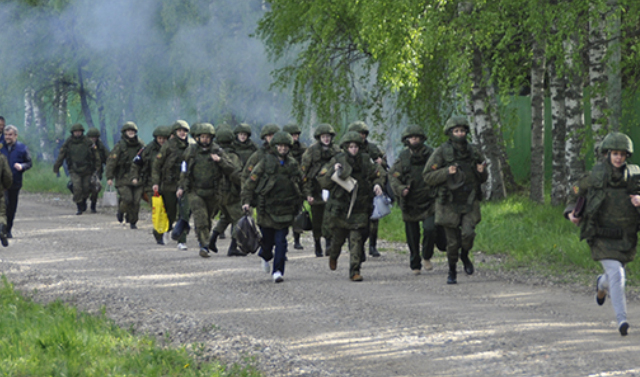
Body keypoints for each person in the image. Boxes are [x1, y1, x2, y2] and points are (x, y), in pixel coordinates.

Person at [565, 132, 640, 336]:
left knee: (613, 276)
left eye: (622, 154)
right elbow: (574, 194)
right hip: (600, 236)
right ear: (607, 154)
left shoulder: (635, 176)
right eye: (615, 153)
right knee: (618, 275)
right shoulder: (595, 176)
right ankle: (622, 321)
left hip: (626, 237)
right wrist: (571, 213)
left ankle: (601, 283)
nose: (618, 158)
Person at [423, 116, 487, 285]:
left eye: (462, 131)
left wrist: (481, 172)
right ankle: (452, 270)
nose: (460, 134)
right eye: (456, 131)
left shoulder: (473, 151)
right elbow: (427, 176)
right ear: (450, 133)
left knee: (468, 234)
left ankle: (465, 255)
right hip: (448, 202)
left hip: (469, 200)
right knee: (452, 243)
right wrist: (446, 172)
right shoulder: (442, 151)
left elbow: (482, 177)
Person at [318, 131, 386, 282]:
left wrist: (377, 184)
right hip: (341, 208)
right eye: (351, 147)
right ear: (345, 147)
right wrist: (333, 171)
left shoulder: (365, 161)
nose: (354, 149)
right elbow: (323, 181)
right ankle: (334, 256)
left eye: (356, 146)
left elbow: (378, 173)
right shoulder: (337, 160)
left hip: (360, 207)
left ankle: (355, 271)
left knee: (357, 239)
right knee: (338, 239)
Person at [241, 131, 303, 283]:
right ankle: (265, 255)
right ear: (275, 146)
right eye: (280, 146)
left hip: (285, 209)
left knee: (281, 241)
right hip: (266, 209)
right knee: (268, 242)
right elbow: (251, 182)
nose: (283, 149)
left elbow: (302, 181)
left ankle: (278, 271)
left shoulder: (292, 164)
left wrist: (305, 196)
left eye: (285, 146)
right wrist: (246, 201)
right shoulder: (265, 161)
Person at [179, 123, 238, 258]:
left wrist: (220, 161)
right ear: (197, 138)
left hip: (213, 192)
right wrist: (181, 186)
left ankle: (205, 241)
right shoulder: (191, 151)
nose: (205, 139)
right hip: (195, 191)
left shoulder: (218, 151)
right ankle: (203, 245)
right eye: (202, 137)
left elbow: (232, 169)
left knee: (208, 218)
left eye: (207, 137)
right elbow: (183, 170)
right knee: (201, 218)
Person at [389, 125, 437, 275]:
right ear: (406, 140)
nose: (414, 140)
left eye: (416, 137)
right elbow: (393, 176)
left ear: (422, 139)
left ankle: (427, 256)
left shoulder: (432, 154)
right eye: (411, 137)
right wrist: (401, 189)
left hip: (429, 201)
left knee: (430, 229)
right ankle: (415, 263)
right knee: (412, 235)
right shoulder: (403, 158)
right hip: (410, 202)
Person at [346, 120, 388, 258]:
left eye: (363, 133)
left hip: (371, 188)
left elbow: (382, 167)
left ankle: (372, 245)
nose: (362, 136)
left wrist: (382, 164)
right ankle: (357, 247)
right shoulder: (344, 150)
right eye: (359, 133)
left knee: (373, 220)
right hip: (351, 190)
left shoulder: (373, 148)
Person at [300, 123, 340, 257]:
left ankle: (328, 243)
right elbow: (304, 174)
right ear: (319, 137)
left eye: (328, 136)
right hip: (315, 189)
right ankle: (317, 243)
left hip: (332, 188)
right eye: (324, 136)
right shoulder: (311, 151)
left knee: (331, 218)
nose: (326, 139)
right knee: (317, 219)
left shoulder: (337, 150)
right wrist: (308, 194)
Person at [152, 120, 192, 250]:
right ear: (175, 132)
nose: (182, 133)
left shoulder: (191, 145)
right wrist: (156, 183)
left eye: (184, 131)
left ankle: (181, 240)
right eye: (180, 131)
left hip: (185, 184)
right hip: (169, 185)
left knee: (184, 213)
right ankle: (161, 232)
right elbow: (157, 165)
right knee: (170, 213)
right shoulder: (168, 146)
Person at [208, 125, 245, 256]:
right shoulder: (232, 156)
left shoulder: (212, 154)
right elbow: (235, 173)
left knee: (226, 217)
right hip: (231, 193)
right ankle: (233, 247)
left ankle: (212, 240)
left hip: (218, 193)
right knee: (239, 218)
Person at [131, 125, 171, 243]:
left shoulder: (172, 149)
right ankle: (158, 234)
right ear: (156, 138)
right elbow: (136, 163)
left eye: (164, 138)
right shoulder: (147, 150)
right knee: (157, 209)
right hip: (150, 184)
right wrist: (134, 177)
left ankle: (166, 229)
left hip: (168, 184)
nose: (162, 141)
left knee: (169, 210)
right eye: (160, 138)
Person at [53, 123, 101, 215]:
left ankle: (83, 200)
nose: (78, 133)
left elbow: (96, 155)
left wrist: (97, 167)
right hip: (74, 169)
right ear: (73, 133)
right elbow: (61, 155)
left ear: (82, 132)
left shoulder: (88, 142)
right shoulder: (68, 142)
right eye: (76, 132)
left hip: (87, 169)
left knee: (86, 188)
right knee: (77, 187)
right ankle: (79, 206)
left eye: (79, 132)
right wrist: (57, 167)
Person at [105, 122, 145, 229]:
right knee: (127, 199)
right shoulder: (119, 146)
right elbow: (111, 162)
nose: (131, 132)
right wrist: (109, 177)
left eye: (133, 131)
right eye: (129, 131)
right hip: (123, 177)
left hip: (137, 177)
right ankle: (121, 210)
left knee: (136, 201)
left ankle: (133, 221)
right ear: (125, 132)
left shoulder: (141, 145)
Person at [1, 125, 32, 238]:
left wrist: (22, 166)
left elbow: (29, 163)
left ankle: (8, 229)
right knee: (3, 205)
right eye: (6, 135)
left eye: (10, 135)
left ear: (15, 135)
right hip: (1, 183)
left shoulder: (22, 148)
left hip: (15, 182)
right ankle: (2, 228)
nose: (7, 137)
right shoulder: (0, 147)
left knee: (11, 207)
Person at [283, 123, 308, 250]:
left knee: (298, 214)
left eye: (296, 135)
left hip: (298, 186)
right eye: (292, 135)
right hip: (285, 187)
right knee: (285, 216)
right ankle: (283, 241)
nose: (295, 137)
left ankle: (297, 240)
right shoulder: (283, 150)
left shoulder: (303, 149)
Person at [86, 128, 110, 213]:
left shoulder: (100, 146)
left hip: (97, 171)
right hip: (85, 171)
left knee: (96, 188)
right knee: (84, 188)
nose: (93, 139)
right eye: (91, 137)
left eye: (95, 137)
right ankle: (82, 202)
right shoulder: (84, 145)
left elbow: (107, 156)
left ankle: (93, 205)